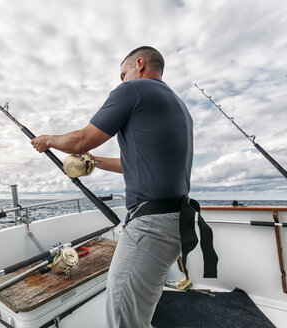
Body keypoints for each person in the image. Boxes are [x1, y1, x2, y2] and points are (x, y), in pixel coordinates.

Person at [31, 46, 196, 327]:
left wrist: (47, 140)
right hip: (178, 221)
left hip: (151, 227)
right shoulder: (178, 105)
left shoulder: (133, 91)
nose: (122, 81)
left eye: (123, 74)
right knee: (138, 313)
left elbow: (81, 140)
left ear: (139, 64)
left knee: (123, 319)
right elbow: (136, 162)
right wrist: (94, 163)